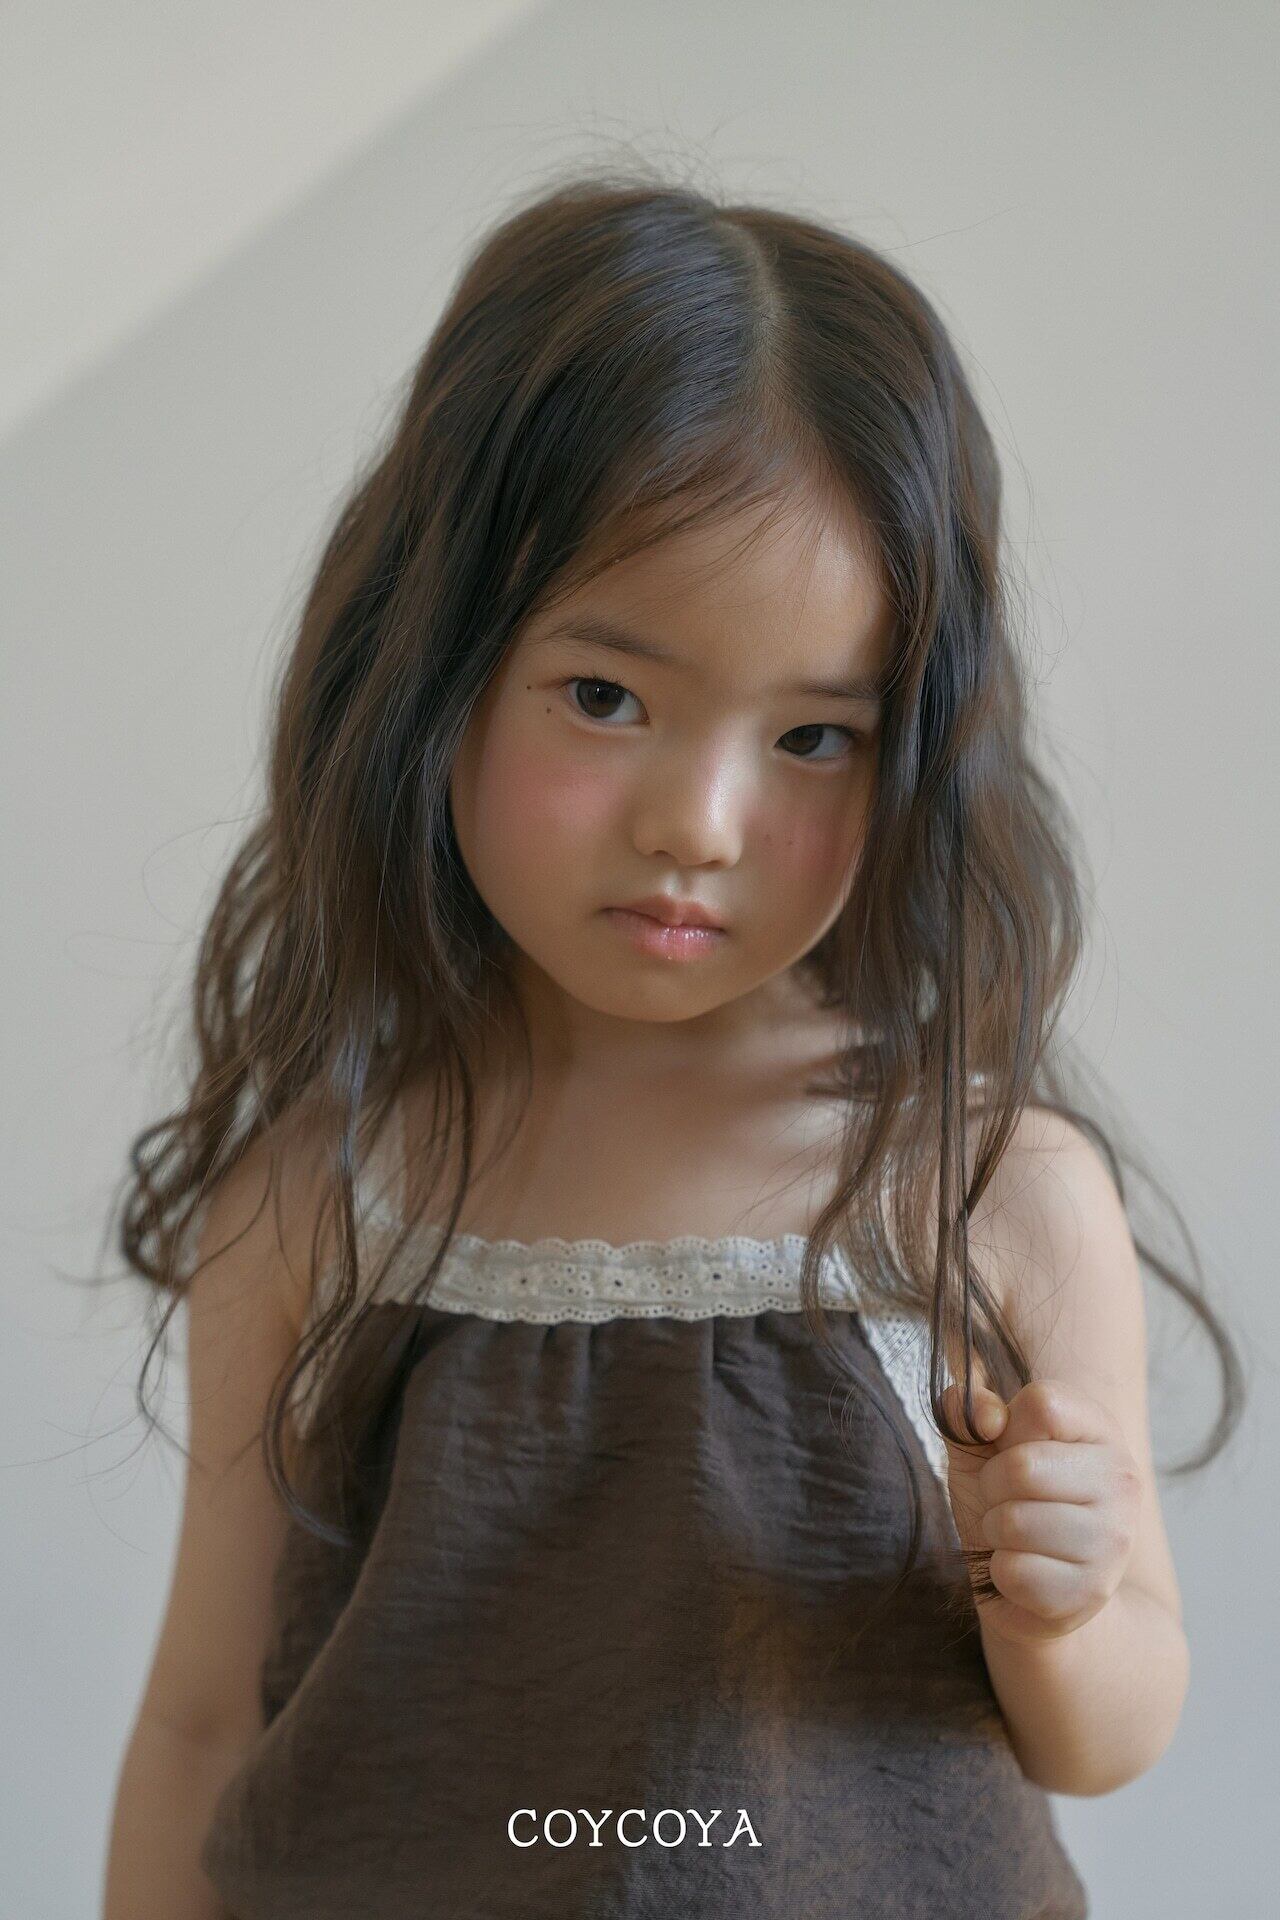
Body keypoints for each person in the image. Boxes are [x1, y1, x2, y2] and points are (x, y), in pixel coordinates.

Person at [102, 168, 1242, 1919]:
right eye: (606, 698)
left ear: (916, 754)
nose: (699, 822)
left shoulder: (981, 1191)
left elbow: (1107, 1736)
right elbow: (200, 1723)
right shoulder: (322, 1199)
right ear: (431, 672)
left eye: (813, 738)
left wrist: (1067, 1604)